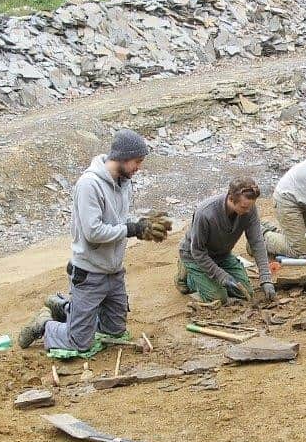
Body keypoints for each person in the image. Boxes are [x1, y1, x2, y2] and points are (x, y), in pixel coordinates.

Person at [18, 129, 170, 351]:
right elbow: (93, 232)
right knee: (79, 343)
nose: (139, 167)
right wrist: (132, 229)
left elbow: (117, 221)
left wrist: (139, 224)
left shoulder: (123, 183)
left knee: (114, 332)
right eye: (137, 161)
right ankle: (45, 324)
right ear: (123, 156)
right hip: (89, 273)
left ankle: (66, 308)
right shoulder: (89, 185)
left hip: (113, 271)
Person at [176, 177, 277, 304]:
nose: (249, 211)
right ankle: (188, 275)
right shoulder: (205, 213)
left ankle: (210, 277)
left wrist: (266, 278)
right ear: (230, 198)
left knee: (245, 292)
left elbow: (257, 242)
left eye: (251, 207)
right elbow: (197, 251)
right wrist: (222, 276)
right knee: (218, 297)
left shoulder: (249, 208)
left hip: (221, 255)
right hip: (195, 256)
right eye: (244, 207)